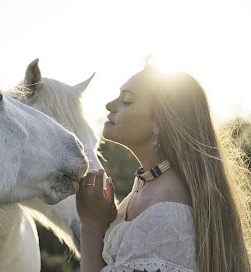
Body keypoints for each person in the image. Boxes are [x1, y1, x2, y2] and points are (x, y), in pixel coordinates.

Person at [76, 62, 251, 272]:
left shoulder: (165, 215)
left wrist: (92, 227)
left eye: (127, 100)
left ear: (159, 123)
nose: (109, 105)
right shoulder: (146, 187)